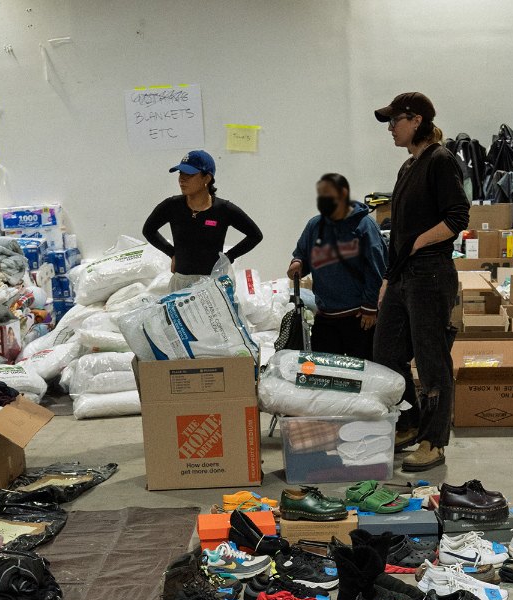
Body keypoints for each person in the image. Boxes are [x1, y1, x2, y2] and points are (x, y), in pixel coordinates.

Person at [371, 92, 470, 474]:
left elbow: (457, 217)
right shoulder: (408, 167)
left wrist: (418, 243)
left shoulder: (440, 160)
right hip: (402, 277)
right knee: (386, 352)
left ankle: (433, 441)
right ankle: (411, 422)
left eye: (394, 121)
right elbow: (398, 230)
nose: (390, 129)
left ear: (416, 121)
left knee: (431, 362)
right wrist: (388, 277)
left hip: (430, 274)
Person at [286, 175, 387, 359]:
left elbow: (376, 268)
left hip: (359, 316)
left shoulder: (364, 225)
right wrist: (297, 263)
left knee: (363, 370)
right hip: (325, 315)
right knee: (325, 370)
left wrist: (370, 307)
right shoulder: (315, 225)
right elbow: (302, 253)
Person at [142, 149, 263, 290]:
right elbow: (148, 230)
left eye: (189, 174)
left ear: (207, 178)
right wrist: (172, 253)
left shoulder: (223, 209)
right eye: (181, 173)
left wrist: (229, 257)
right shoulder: (172, 206)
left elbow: (255, 235)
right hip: (181, 284)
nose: (182, 179)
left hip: (213, 285)